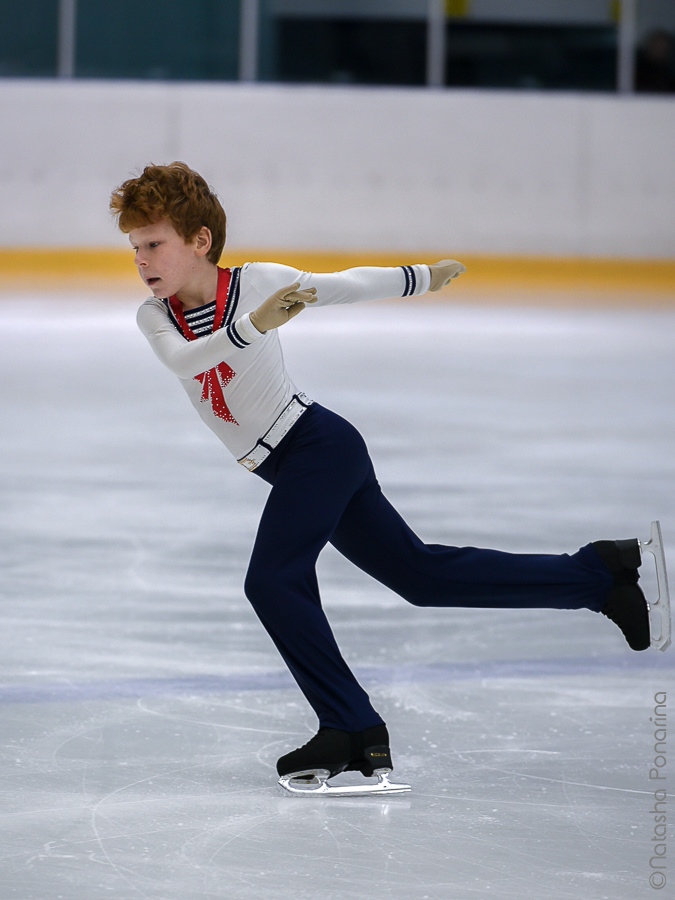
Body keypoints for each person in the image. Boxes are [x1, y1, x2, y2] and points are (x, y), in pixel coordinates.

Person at [110, 161, 660, 795]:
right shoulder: (157, 319)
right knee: (421, 576)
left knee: (271, 580)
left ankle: (351, 728)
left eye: (154, 243)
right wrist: (255, 325)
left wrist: (419, 278)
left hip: (317, 446)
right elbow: (188, 358)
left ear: (199, 241)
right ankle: (598, 576)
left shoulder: (256, 282)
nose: (142, 260)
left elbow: (340, 286)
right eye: (135, 249)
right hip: (289, 463)